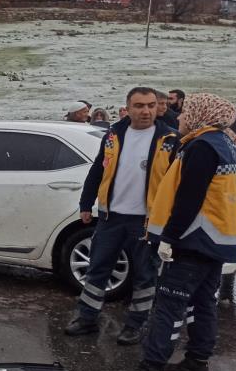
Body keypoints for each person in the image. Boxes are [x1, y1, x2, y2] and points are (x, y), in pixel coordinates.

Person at [116, 93, 236, 371]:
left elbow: (189, 199)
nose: (179, 117)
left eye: (186, 112)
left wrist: (170, 239)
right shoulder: (229, 144)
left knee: (169, 306)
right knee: (203, 303)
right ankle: (196, 365)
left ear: (200, 114)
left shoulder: (202, 146)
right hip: (217, 240)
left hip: (193, 242)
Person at [65, 87, 179, 345]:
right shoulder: (114, 133)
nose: (146, 111)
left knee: (144, 274)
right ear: (128, 107)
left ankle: (135, 325)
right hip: (111, 217)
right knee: (97, 269)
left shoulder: (169, 138)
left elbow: (177, 184)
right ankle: (87, 318)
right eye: (140, 105)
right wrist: (86, 202)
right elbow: (98, 169)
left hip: (146, 221)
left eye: (151, 105)